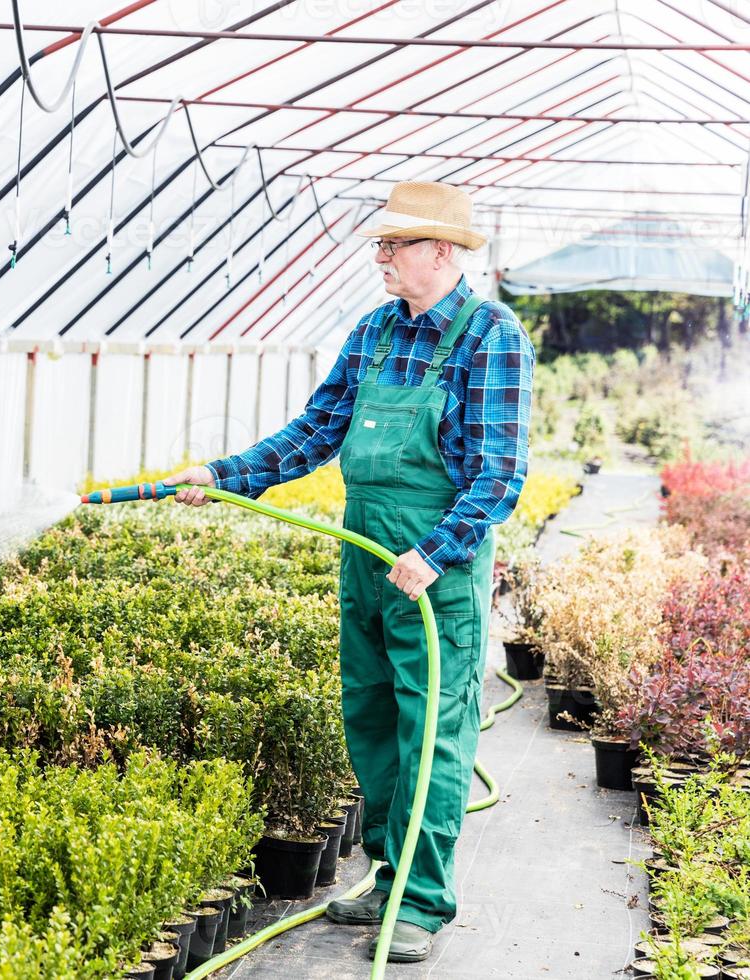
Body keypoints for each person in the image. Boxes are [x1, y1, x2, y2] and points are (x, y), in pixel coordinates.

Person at [164, 180, 534, 963]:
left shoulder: (489, 335)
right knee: (369, 721)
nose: (381, 257)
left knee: (430, 731)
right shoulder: (373, 330)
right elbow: (316, 431)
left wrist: (434, 552)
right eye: (381, 245)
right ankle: (385, 876)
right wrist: (228, 473)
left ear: (442, 252)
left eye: (393, 245)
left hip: (433, 567)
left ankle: (422, 901)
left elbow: (499, 474)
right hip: (365, 551)